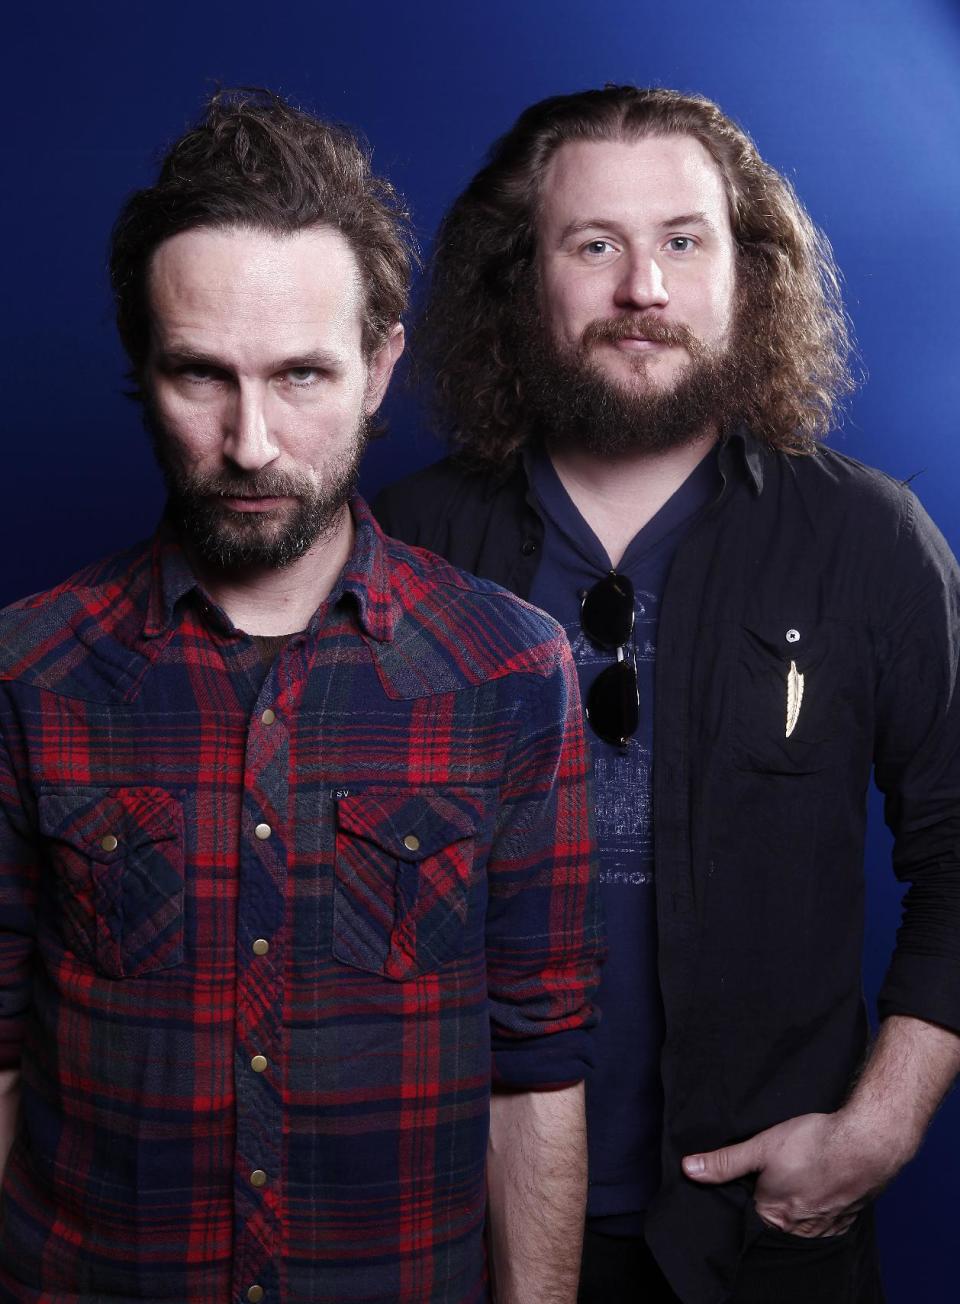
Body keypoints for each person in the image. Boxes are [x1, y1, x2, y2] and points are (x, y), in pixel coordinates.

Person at [0, 89, 604, 1304]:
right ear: (141, 365)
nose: (253, 441)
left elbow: (535, 1077)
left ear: (381, 365)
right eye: (199, 377)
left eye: (303, 375)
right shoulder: (26, 670)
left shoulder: (511, 670)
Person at [374, 85, 960, 1304]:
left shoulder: (871, 541)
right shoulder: (403, 546)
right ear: (521, 277)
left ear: (746, 273)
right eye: (595, 244)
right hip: (449, 1224)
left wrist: (880, 1126)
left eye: (683, 241)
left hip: (764, 1237)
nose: (643, 285)